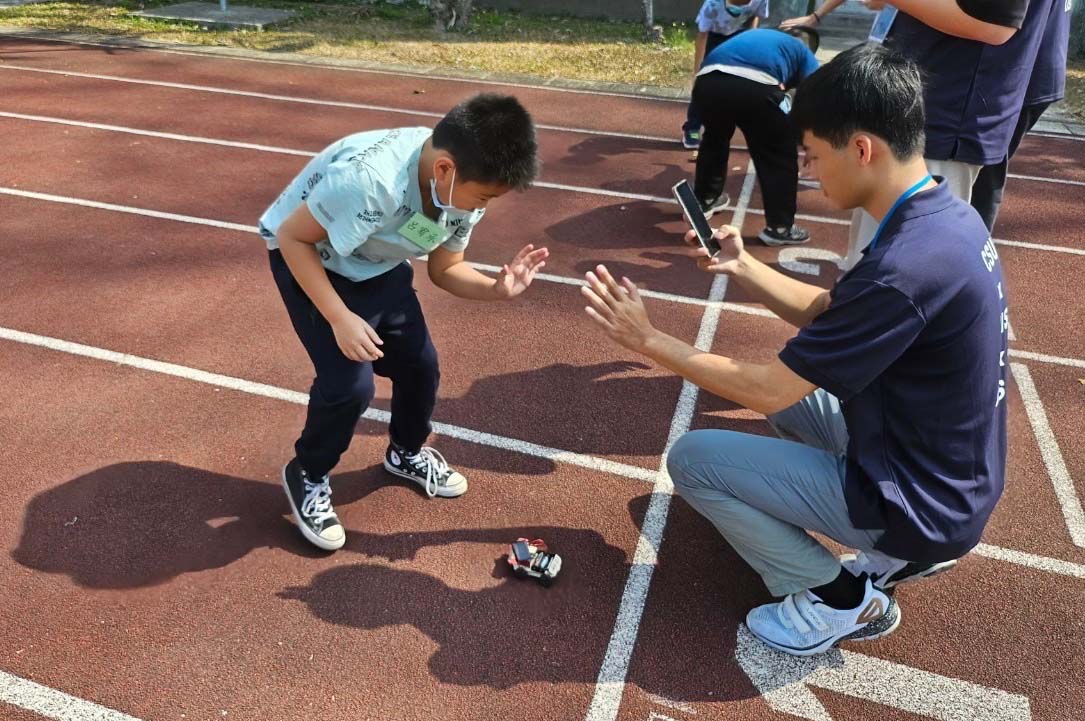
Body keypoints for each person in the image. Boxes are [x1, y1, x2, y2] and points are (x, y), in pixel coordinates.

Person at [582, 44, 1008, 656]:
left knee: (696, 458)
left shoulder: (904, 267)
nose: (808, 169)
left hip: (924, 501)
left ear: (862, 148)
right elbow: (830, 314)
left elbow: (767, 388)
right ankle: (895, 552)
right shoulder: (943, 218)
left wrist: (648, 339)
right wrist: (746, 266)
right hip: (946, 473)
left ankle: (839, 598)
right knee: (797, 398)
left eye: (814, 153)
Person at [259, 94, 547, 551]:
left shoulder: (455, 190)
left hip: (375, 264)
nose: (483, 207)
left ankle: (405, 452)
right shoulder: (367, 182)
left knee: (421, 366)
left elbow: (445, 268)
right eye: (486, 196)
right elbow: (292, 237)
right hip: (310, 260)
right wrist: (339, 317)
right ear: (446, 170)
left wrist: (495, 289)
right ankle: (308, 472)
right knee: (350, 387)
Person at [783, 0, 1052, 267]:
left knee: (899, 274)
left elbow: (997, 23)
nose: (811, 171)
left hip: (940, 120)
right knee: (875, 267)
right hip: (919, 111)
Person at [691, 27, 820, 246]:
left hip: (706, 82)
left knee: (715, 139)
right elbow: (816, 98)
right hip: (754, 86)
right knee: (778, 153)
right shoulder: (803, 51)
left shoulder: (761, 37)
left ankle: (705, 200)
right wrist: (812, 145)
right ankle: (780, 227)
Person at [970, 0, 1072, 233]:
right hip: (1028, 61)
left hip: (1014, 68)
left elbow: (997, 21)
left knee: (981, 178)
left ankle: (970, 259)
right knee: (983, 176)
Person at [682, 0, 772, 150]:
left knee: (736, 85)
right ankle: (692, 128)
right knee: (704, 86)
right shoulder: (712, 5)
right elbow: (702, 35)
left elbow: (756, 16)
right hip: (714, 37)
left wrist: (749, 40)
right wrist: (698, 70)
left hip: (740, 35)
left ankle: (726, 128)